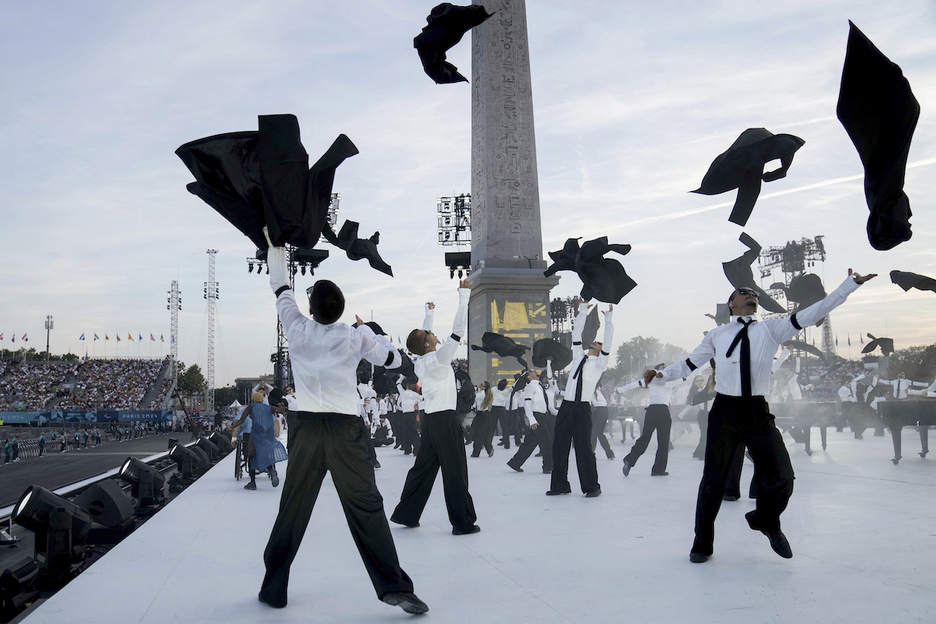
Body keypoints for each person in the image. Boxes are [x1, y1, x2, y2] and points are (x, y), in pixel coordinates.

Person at [650, 270, 876, 563]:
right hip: (725, 411)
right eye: (745, 292)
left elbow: (815, 311)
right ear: (731, 304)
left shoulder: (772, 329)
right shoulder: (717, 335)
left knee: (783, 476)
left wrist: (850, 285)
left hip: (757, 411)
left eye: (754, 294)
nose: (752, 295)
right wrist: (661, 374)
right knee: (713, 481)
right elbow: (688, 364)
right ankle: (702, 542)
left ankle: (767, 520)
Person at [257, 232, 427, 615]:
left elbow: (280, 286)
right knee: (366, 506)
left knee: (293, 508)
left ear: (312, 310)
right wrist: (370, 331)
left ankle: (274, 588)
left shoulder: (295, 327)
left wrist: (273, 245)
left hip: (306, 429)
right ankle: (394, 586)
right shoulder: (355, 337)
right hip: (345, 429)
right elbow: (395, 362)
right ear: (341, 310)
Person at [391, 281, 480, 536]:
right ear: (429, 344)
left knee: (423, 470)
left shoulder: (421, 362)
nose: (432, 333)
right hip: (445, 421)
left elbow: (421, 340)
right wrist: (464, 295)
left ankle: (407, 514)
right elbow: (457, 328)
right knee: (455, 473)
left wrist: (429, 314)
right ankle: (462, 523)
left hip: (430, 422)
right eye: (429, 334)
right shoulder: (440, 360)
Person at [548, 299, 613, 498]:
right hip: (566, 407)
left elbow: (608, 341)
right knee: (559, 445)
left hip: (582, 408)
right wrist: (583, 310)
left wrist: (608, 320)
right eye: (595, 341)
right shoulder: (579, 357)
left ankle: (592, 487)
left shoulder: (599, 364)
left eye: (598, 342)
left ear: (601, 350)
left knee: (584, 448)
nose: (595, 341)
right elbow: (577, 334)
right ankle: (560, 485)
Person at [231, 392, 287, 490]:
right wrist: (282, 408)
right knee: (265, 455)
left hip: (253, 435)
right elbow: (279, 415)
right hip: (266, 436)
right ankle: (271, 470)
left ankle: (252, 482)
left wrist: (232, 429)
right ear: (262, 399)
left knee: (251, 457)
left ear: (252, 399)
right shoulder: (268, 407)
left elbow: (240, 421)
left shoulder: (250, 407)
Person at [507, 365, 557, 474]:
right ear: (529, 377)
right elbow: (527, 403)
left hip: (543, 416)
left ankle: (515, 463)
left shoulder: (539, 386)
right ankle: (548, 467)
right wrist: (532, 419)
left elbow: (545, 403)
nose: (534, 371)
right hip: (537, 417)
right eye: (531, 372)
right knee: (547, 443)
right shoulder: (530, 386)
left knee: (529, 443)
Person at [471, 381, 494, 458]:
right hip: (484, 415)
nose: (479, 385)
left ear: (484, 387)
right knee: (481, 433)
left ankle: (477, 452)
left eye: (481, 384)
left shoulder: (481, 394)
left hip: (482, 415)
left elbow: (473, 396)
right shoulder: (484, 393)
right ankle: (488, 448)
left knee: (479, 434)